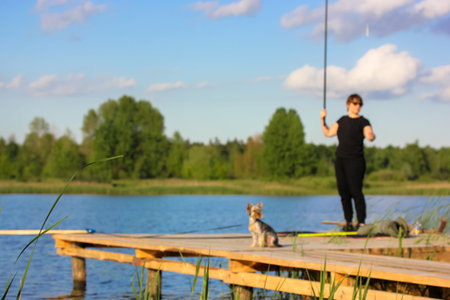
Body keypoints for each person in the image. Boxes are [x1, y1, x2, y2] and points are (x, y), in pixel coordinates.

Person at [320, 94, 375, 231]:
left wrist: (370, 135)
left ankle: (361, 222)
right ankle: (349, 222)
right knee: (343, 192)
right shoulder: (342, 121)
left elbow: (370, 135)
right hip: (341, 160)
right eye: (355, 103)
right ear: (348, 104)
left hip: (356, 160)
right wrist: (322, 119)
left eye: (360, 104)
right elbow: (328, 133)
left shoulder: (363, 121)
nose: (358, 106)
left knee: (356, 191)